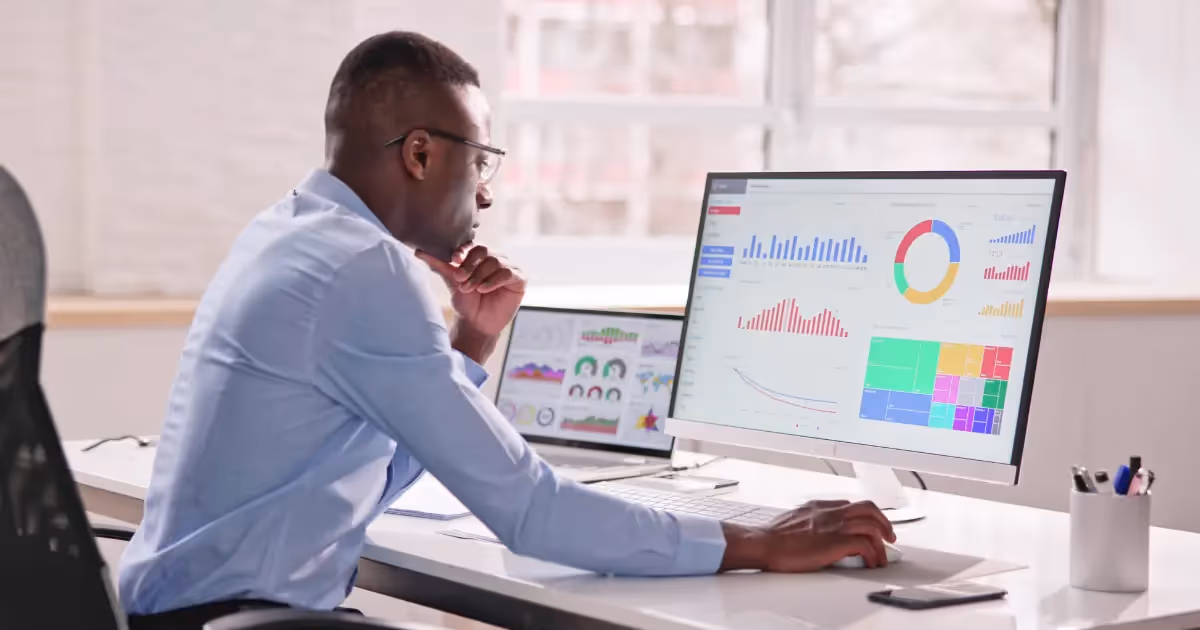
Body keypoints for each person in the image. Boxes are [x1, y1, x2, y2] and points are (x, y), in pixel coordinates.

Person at [118, 31, 895, 628]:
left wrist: (472, 342)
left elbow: (355, 482)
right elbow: (531, 513)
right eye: (480, 162)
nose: (484, 198)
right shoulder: (363, 270)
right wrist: (758, 543)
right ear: (420, 153)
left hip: (194, 615)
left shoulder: (287, 232)